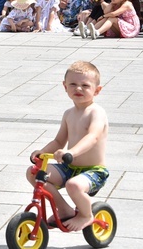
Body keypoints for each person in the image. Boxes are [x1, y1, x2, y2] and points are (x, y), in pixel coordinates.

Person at [26, 61, 108, 232]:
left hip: (93, 171)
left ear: (97, 90)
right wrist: (42, 152)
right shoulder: (68, 114)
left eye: (85, 85)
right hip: (69, 167)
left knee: (74, 185)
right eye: (73, 84)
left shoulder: (96, 112)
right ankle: (64, 209)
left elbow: (92, 137)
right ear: (65, 87)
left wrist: (71, 152)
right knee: (35, 173)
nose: (78, 88)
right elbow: (58, 142)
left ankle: (86, 215)